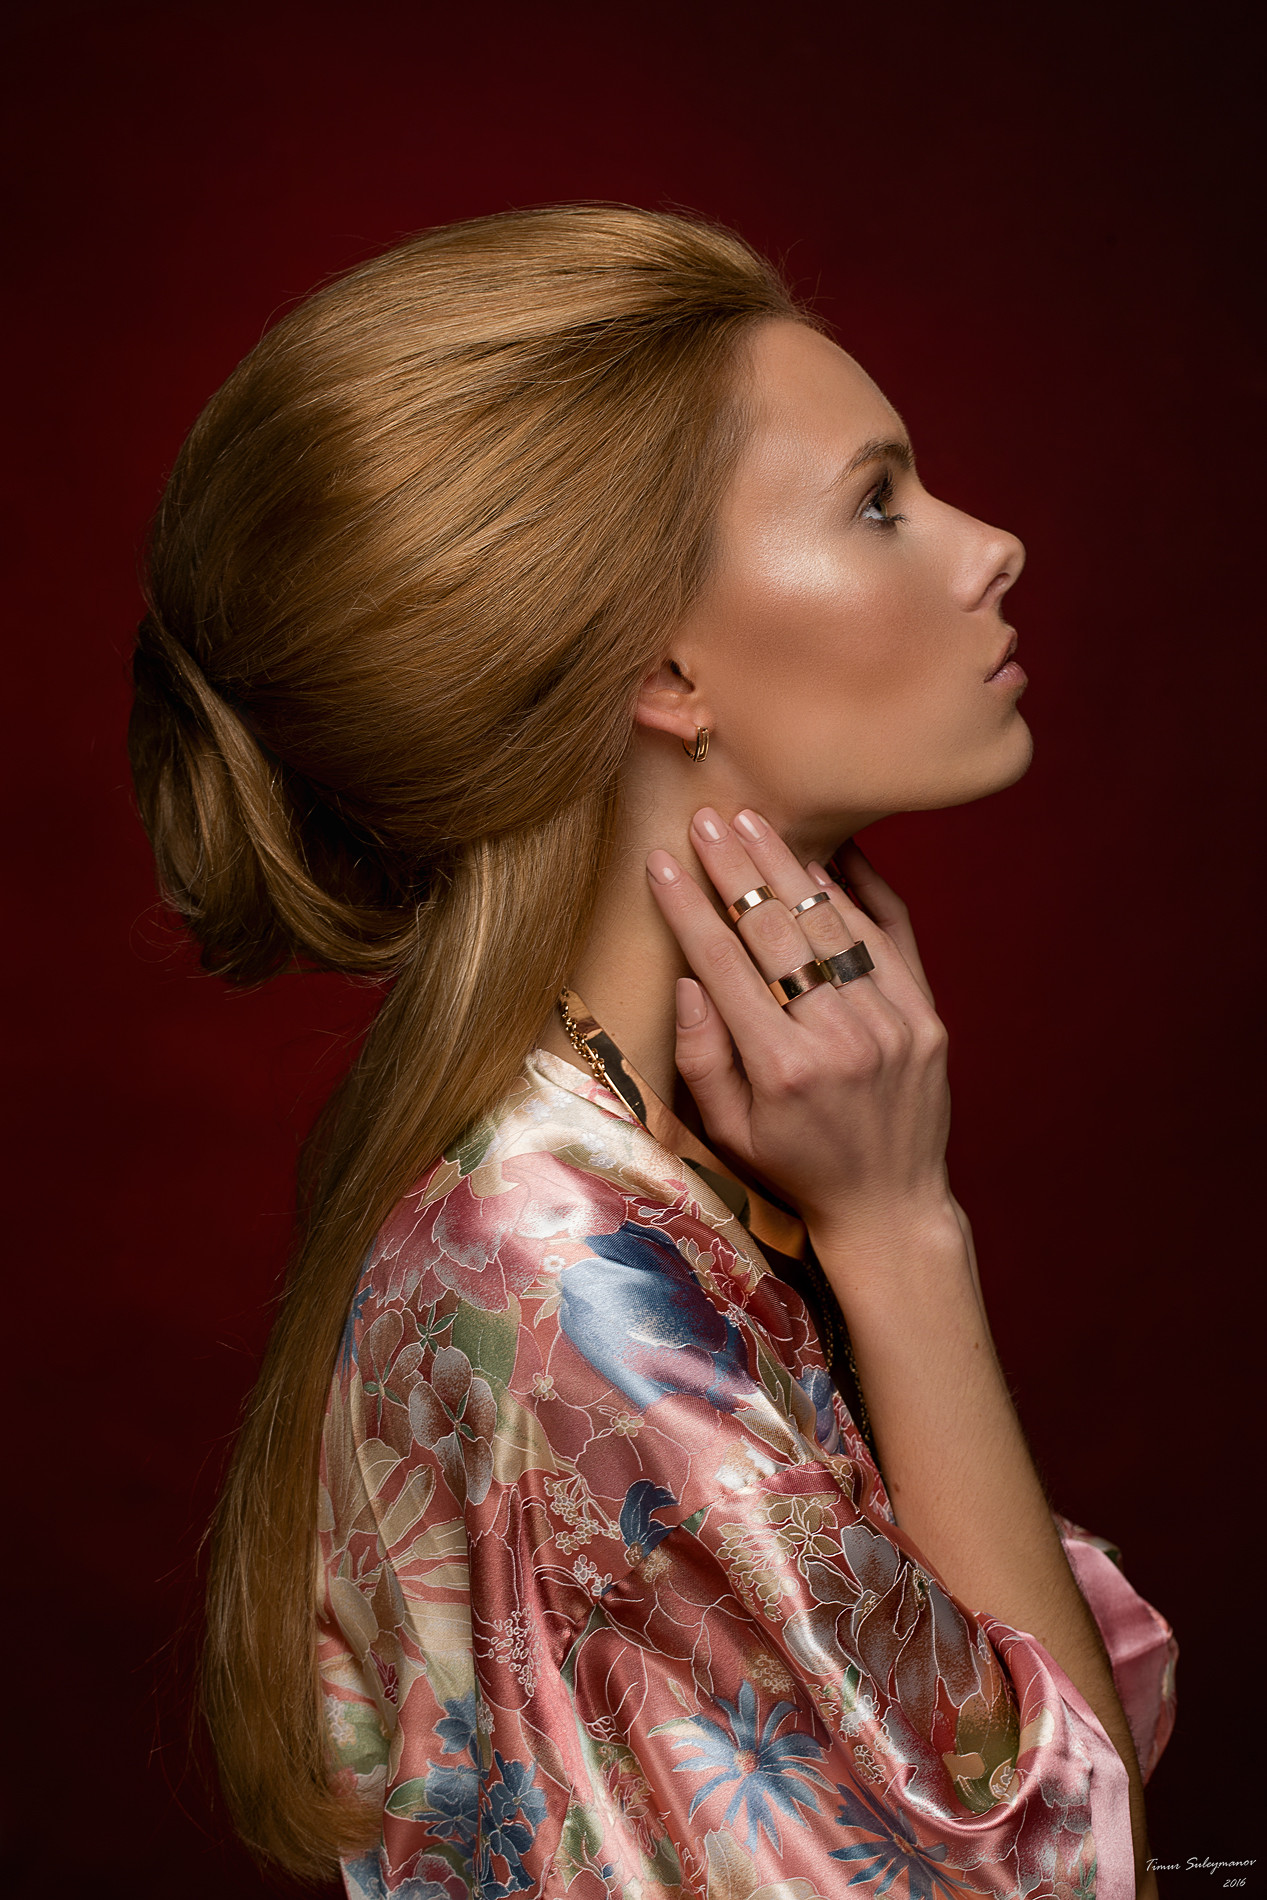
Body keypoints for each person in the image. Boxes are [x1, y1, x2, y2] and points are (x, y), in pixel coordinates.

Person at [128, 205, 1175, 1900]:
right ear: (666, 667)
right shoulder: (566, 1272)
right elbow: (1057, 1863)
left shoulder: (653, 1176)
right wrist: (904, 1234)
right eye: (879, 502)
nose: (992, 547)